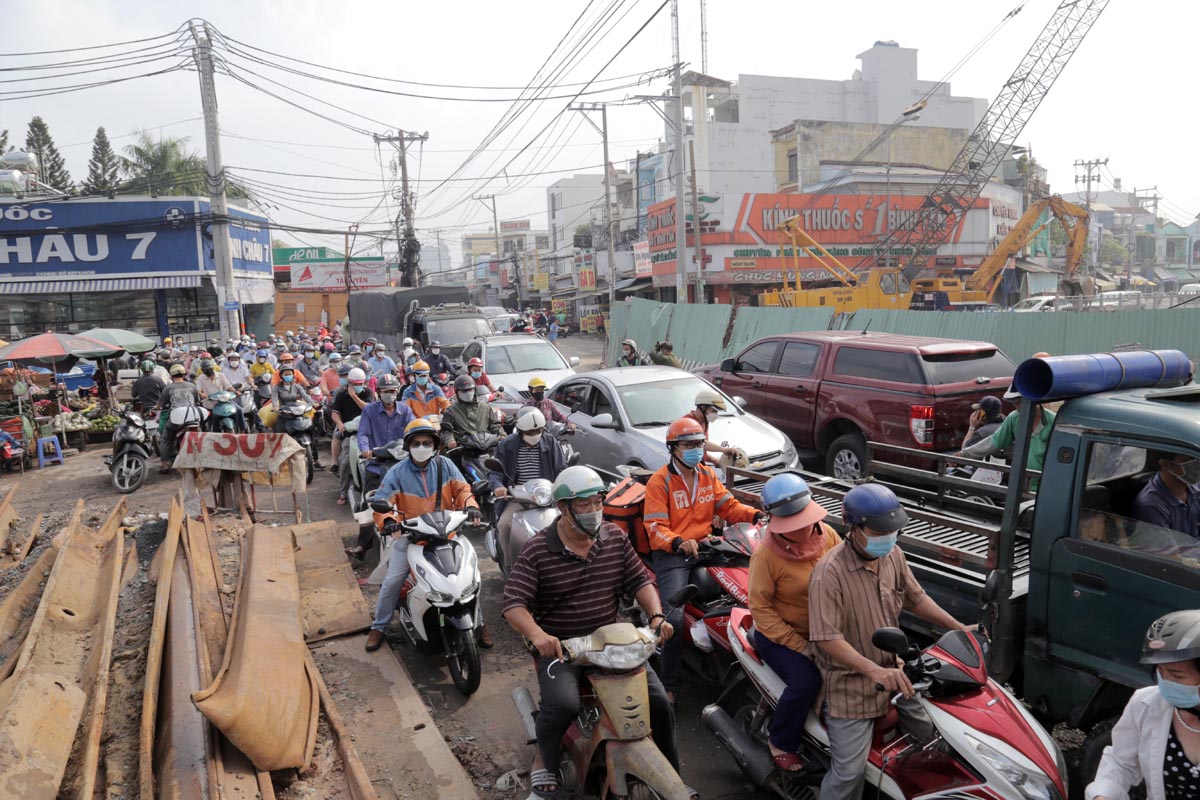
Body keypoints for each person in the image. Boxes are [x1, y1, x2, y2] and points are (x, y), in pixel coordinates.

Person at [502, 466, 684, 800]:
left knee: (659, 703)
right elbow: (514, 603)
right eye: (583, 505)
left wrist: (656, 616)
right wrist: (539, 635)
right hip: (564, 650)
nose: (593, 511)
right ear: (563, 508)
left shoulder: (614, 537)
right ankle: (546, 758)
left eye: (598, 502)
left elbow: (640, 581)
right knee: (563, 704)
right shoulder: (538, 549)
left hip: (614, 644)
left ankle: (671, 771)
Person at [807, 482, 971, 800]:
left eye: (892, 530)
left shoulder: (893, 554)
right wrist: (873, 671)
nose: (888, 537)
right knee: (848, 775)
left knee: (937, 741)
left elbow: (916, 599)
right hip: (851, 688)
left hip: (897, 672)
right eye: (879, 531)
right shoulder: (829, 574)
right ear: (853, 528)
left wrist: (959, 627)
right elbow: (826, 638)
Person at [644, 416, 764, 698]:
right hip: (673, 554)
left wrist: (757, 514)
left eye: (699, 444)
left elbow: (729, 507)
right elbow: (654, 527)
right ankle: (669, 686)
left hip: (708, 546)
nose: (696, 449)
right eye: (689, 444)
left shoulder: (708, 475)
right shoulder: (659, 482)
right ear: (674, 448)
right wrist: (677, 542)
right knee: (671, 618)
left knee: (749, 583)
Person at [365, 418, 491, 651]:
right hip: (412, 539)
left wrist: (471, 506)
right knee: (392, 582)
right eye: (416, 443)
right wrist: (390, 521)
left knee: (470, 579)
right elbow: (383, 503)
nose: (421, 447)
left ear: (435, 445)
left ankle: (480, 623)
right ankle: (379, 626)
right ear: (408, 446)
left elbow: (462, 489)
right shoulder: (397, 472)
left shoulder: (446, 465)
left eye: (426, 443)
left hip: (448, 535)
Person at [748, 472, 842, 772]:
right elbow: (760, 609)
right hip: (782, 637)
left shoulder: (827, 534)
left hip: (827, 629)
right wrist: (800, 645)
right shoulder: (765, 556)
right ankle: (781, 740)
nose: (802, 530)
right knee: (807, 681)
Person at [1086, 610, 1200, 800]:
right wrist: (1103, 794)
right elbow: (1121, 763)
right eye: (1160, 672)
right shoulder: (1145, 704)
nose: (1166, 681)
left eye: (1177, 675)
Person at [346, 374, 415, 560]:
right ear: (379, 393)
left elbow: (413, 430)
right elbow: (363, 434)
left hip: (402, 463)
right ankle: (363, 545)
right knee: (369, 500)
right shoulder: (369, 411)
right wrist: (366, 449)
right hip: (377, 464)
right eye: (386, 391)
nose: (390, 395)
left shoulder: (406, 411)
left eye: (393, 391)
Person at [488, 408, 568, 567]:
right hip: (518, 497)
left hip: (547, 497)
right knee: (504, 526)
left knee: (568, 524)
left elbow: (561, 469)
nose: (534, 434)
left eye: (538, 430)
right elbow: (495, 473)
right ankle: (511, 566)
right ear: (521, 430)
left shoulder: (551, 442)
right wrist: (498, 486)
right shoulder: (507, 444)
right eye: (530, 432)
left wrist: (566, 482)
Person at [959, 388, 1056, 490]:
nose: (1017, 408)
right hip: (1021, 483)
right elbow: (995, 441)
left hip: (1045, 484)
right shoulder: (1014, 418)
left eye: (1019, 403)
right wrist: (964, 453)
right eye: (1014, 404)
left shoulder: (1053, 421)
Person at [331, 366, 373, 505]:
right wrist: (340, 424)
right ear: (349, 383)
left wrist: (354, 396)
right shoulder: (341, 395)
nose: (358, 387)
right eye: (355, 384)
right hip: (350, 432)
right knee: (345, 460)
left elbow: (368, 409)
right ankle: (342, 492)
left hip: (367, 431)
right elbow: (335, 413)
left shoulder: (368, 392)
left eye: (360, 384)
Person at [1132, 451, 1200, 538]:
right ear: (1167, 464)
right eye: (1191, 460)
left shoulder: (1195, 487)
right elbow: (1169, 550)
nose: (1198, 464)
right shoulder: (1151, 506)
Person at [156, 364, 202, 473]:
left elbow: (160, 405)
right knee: (200, 435)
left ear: (171, 375)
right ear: (184, 374)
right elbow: (197, 401)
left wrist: (156, 407)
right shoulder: (192, 386)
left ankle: (164, 464)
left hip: (176, 418)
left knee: (166, 439)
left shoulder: (168, 388)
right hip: (192, 417)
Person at [441, 374, 502, 450]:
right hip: (464, 450)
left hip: (486, 447)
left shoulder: (485, 407)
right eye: (464, 391)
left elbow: (495, 424)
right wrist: (450, 440)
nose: (468, 393)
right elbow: (446, 430)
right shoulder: (451, 410)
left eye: (470, 390)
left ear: (474, 390)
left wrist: (501, 434)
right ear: (457, 393)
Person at [685, 389, 741, 464]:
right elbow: (701, 443)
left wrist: (714, 461)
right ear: (703, 407)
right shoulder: (687, 423)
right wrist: (724, 450)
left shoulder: (704, 422)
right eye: (714, 411)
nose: (716, 414)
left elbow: (701, 450)